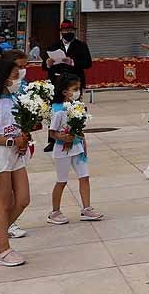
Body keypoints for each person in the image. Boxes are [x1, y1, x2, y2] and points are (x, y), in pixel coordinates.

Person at [0, 57, 30, 267]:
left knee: (23, 199)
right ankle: (3, 249)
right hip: (0, 155)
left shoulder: (15, 99)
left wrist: (24, 137)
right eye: (14, 74)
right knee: (4, 201)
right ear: (3, 78)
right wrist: (12, 141)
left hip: (16, 154)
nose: (19, 77)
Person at [47, 73, 103, 224]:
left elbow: (80, 129)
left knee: (84, 177)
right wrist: (62, 137)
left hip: (77, 148)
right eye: (75, 89)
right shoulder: (58, 110)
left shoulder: (78, 107)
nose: (79, 92)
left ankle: (86, 208)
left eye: (79, 89)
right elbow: (52, 132)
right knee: (62, 180)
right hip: (62, 150)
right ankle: (55, 212)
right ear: (65, 92)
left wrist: (82, 142)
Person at [44, 20, 92, 152]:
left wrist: (72, 62)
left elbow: (88, 63)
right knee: (54, 111)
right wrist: (48, 64)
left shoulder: (80, 45)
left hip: (74, 81)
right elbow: (45, 64)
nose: (68, 33)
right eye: (66, 31)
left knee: (74, 110)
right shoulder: (54, 45)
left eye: (71, 31)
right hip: (57, 82)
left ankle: (75, 136)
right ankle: (53, 139)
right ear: (61, 32)